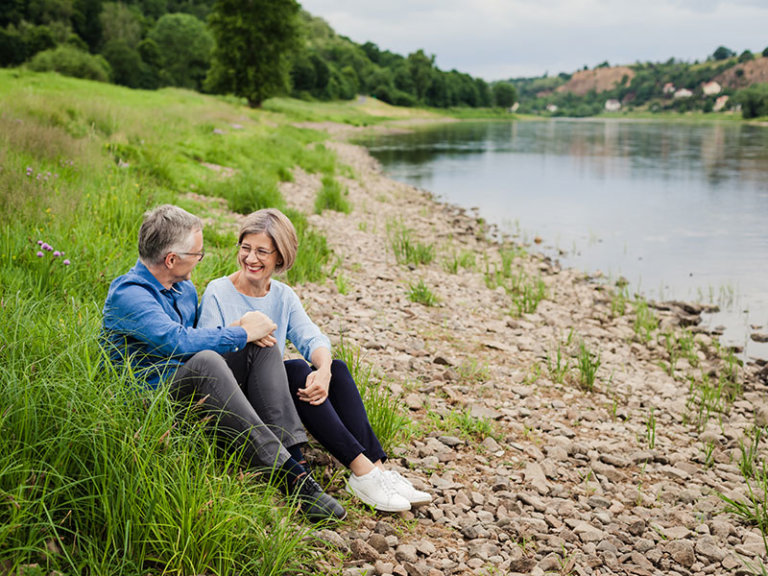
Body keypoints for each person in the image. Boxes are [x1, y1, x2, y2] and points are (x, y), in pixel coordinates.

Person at [101, 204, 345, 522]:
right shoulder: (130, 295)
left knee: (262, 343)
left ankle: (298, 467)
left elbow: (200, 340)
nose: (200, 259)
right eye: (197, 254)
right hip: (150, 400)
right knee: (209, 359)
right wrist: (240, 332)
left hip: (191, 388)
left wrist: (247, 333)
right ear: (171, 259)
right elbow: (177, 342)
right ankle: (287, 473)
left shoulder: (184, 289)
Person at [198, 208, 431, 512]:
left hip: (273, 393)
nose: (250, 258)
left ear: (280, 257)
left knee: (335, 368)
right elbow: (207, 351)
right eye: (246, 248)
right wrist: (243, 330)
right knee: (296, 369)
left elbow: (312, 338)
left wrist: (324, 371)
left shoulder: (283, 296)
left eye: (261, 252)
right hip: (238, 399)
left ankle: (377, 469)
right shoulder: (218, 291)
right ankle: (361, 470)